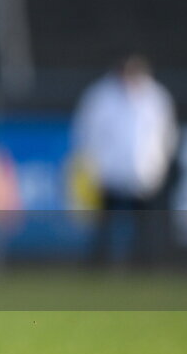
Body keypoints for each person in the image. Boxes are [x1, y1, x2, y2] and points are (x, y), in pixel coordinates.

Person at [72, 53, 178, 267]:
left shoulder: (156, 97)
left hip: (145, 174)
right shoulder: (101, 96)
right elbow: (86, 132)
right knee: (104, 223)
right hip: (108, 173)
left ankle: (146, 266)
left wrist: (159, 164)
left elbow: (167, 134)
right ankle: (101, 267)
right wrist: (92, 166)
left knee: (146, 225)